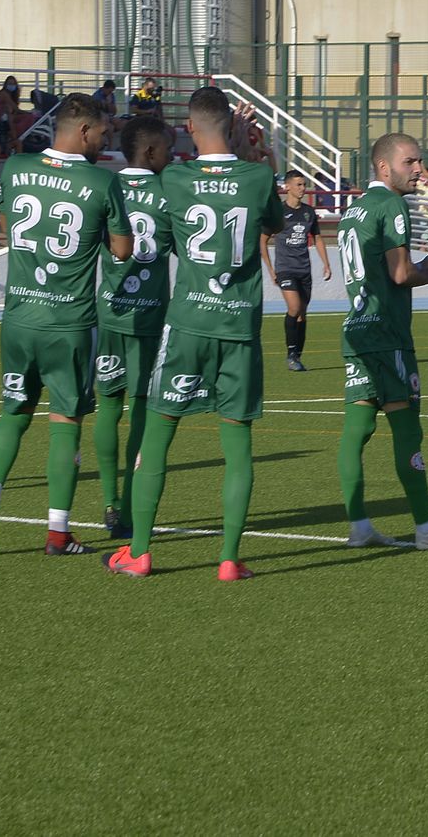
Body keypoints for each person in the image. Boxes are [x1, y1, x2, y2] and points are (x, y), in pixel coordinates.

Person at [105, 87, 286, 581]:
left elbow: (160, 240)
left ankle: (139, 553)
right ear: (232, 125)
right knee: (238, 444)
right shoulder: (257, 176)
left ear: (189, 127)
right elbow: (274, 221)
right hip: (238, 328)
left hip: (187, 323)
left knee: (159, 435)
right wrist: (249, 156)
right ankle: (229, 559)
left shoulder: (176, 177)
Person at [0, 93, 131, 558]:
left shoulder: (16, 169)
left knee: (13, 413)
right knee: (65, 423)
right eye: (102, 131)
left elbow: (8, 225)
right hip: (69, 321)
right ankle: (58, 532)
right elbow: (121, 250)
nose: (106, 139)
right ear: (82, 130)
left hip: (19, 316)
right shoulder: (103, 182)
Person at [333, 132, 428, 552]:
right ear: (385, 167)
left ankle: (359, 525)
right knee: (406, 428)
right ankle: (425, 527)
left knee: (355, 430)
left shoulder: (353, 210)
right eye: (410, 163)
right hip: (388, 334)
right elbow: (400, 274)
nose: (419, 170)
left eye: (419, 162)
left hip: (357, 329)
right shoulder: (392, 204)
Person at [92, 115, 174, 539]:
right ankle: (126, 509)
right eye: (167, 148)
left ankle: (108, 501)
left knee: (108, 405)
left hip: (109, 312)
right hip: (148, 318)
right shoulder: (166, 192)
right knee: (141, 408)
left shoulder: (107, 185)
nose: (172, 155)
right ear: (149, 151)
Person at [261, 169, 334, 371]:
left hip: (304, 270)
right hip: (285, 269)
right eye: (299, 185)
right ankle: (291, 354)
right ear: (288, 187)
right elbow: (263, 241)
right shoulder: (278, 212)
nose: (303, 188)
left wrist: (326, 263)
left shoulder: (308, 212)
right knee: (294, 307)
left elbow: (317, 238)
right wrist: (271, 269)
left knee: (302, 313)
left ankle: (297, 356)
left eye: (304, 184)